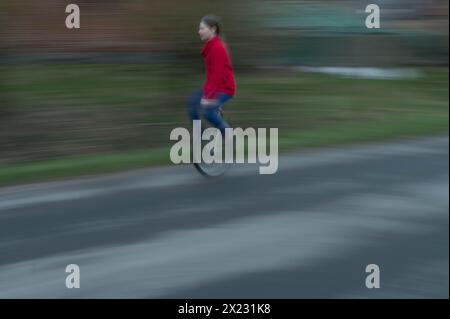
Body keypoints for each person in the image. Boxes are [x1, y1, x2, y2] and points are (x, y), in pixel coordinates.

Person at [186, 15, 236, 135]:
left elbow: (216, 75)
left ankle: (228, 134)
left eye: (202, 28)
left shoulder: (218, 47)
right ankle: (200, 136)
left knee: (208, 112)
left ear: (213, 29)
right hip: (216, 86)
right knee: (191, 102)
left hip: (225, 88)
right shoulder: (211, 46)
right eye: (199, 28)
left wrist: (208, 97)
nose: (199, 31)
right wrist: (208, 95)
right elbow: (212, 76)